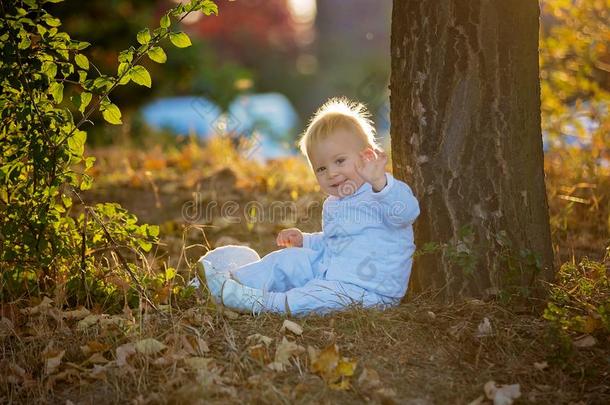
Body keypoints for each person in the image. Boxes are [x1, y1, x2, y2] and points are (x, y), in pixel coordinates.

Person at [197, 97, 420, 316]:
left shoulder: (382, 190)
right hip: (330, 271)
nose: (331, 173)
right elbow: (334, 242)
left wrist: (380, 182)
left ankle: (260, 302)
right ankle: (231, 280)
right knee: (287, 259)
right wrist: (306, 240)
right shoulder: (336, 203)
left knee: (315, 296)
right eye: (321, 169)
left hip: (368, 291)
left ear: (367, 156)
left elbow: (407, 213)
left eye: (340, 161)